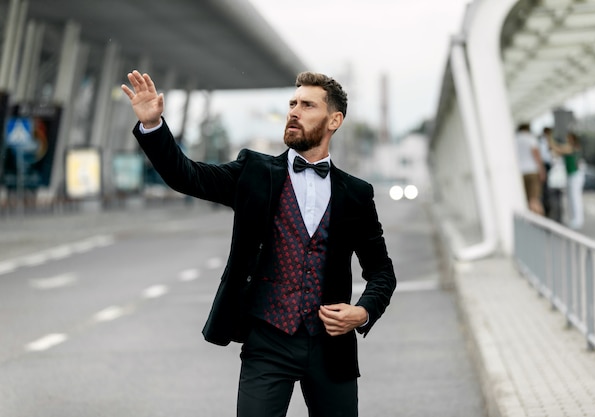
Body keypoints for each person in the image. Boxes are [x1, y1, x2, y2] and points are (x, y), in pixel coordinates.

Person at [121, 70, 396, 417]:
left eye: (307, 105)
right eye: (292, 103)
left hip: (331, 348)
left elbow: (382, 272)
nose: (294, 111)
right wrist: (153, 126)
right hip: (269, 341)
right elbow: (185, 175)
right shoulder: (254, 171)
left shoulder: (356, 193)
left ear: (334, 120)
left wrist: (363, 311)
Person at [551, 132, 584, 230]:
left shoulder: (572, 147)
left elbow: (559, 149)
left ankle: (578, 220)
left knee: (575, 198)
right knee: (571, 198)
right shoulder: (569, 146)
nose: (567, 140)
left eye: (568, 138)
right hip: (570, 175)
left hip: (575, 175)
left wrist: (549, 139)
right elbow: (558, 148)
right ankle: (574, 219)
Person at [515, 123, 545, 215]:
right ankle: (539, 221)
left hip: (520, 172)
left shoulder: (514, 139)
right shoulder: (530, 138)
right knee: (534, 199)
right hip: (532, 171)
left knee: (526, 200)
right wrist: (542, 170)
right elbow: (536, 154)